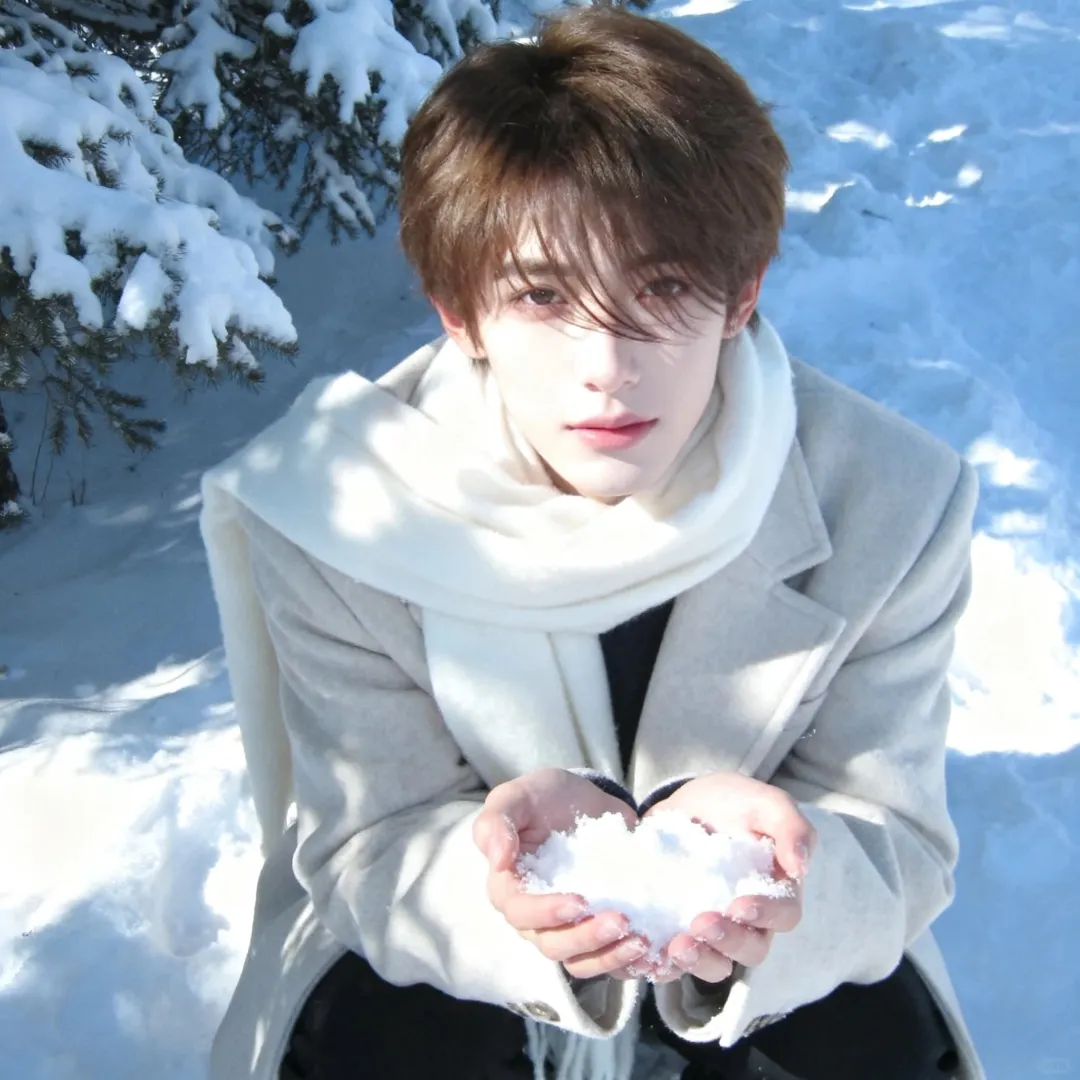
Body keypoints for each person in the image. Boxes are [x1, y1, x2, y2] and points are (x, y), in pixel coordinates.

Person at [198, 4, 986, 1080]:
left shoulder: (892, 501)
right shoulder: (343, 510)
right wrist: (501, 885)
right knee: (387, 1047)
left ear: (742, 295)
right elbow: (369, 840)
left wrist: (782, 877)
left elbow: (895, 833)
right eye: (542, 295)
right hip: (467, 951)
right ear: (460, 314)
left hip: (758, 956)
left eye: (661, 288)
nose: (607, 368)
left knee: (874, 1050)